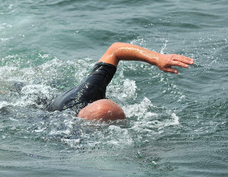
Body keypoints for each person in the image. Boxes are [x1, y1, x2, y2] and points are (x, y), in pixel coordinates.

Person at [0, 42, 194, 121]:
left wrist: (156, 58)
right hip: (37, 109)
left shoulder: (94, 90)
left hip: (53, 95)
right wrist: (156, 57)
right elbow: (115, 48)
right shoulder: (72, 123)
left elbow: (115, 51)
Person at [47, 42, 194, 121]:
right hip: (43, 103)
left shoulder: (91, 89)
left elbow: (115, 50)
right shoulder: (62, 127)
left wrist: (157, 58)